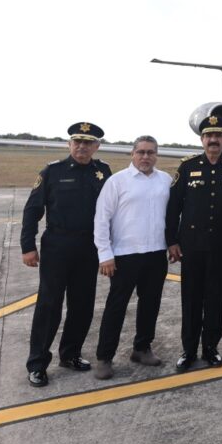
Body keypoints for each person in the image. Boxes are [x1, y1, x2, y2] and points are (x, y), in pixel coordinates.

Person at [21, 122, 113, 387]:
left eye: (88, 142)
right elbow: (32, 210)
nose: (82, 147)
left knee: (82, 305)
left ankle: (70, 354)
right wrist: (28, 246)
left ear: (96, 146)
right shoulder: (52, 171)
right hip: (58, 246)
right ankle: (37, 363)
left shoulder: (103, 172)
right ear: (69, 144)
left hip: (89, 247)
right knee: (49, 306)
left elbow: (111, 211)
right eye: (77, 142)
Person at [166, 114, 222, 371]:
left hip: (220, 246)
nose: (213, 140)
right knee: (191, 299)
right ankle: (188, 350)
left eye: (218, 136)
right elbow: (173, 206)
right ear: (202, 139)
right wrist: (172, 241)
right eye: (209, 136)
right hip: (192, 245)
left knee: (215, 299)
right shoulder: (187, 166)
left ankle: (211, 347)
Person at [91, 135, 171, 379]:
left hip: (156, 253)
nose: (146, 157)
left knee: (150, 304)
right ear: (132, 154)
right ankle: (105, 357)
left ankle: (142, 348)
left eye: (151, 152)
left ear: (157, 155)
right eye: (141, 152)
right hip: (125, 255)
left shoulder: (165, 180)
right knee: (116, 307)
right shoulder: (117, 182)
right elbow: (101, 219)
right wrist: (105, 254)